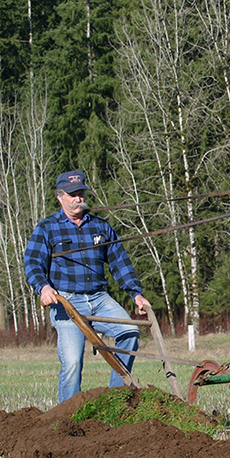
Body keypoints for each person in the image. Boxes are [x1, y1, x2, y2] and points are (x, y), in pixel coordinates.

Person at [24, 170, 151, 402]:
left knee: (130, 332)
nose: (78, 199)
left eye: (81, 193)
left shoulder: (101, 227)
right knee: (72, 362)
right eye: (72, 194)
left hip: (99, 299)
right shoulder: (47, 228)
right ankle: (67, 418)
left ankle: (116, 399)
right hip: (67, 301)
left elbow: (120, 262)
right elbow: (32, 263)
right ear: (59, 197)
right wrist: (43, 287)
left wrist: (136, 294)